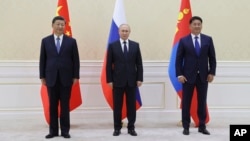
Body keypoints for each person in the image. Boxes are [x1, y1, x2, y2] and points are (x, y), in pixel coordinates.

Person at [39, 16, 80, 139]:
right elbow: (43, 60)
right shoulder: (45, 41)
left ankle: (65, 131)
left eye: (63, 24)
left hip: (66, 78)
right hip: (50, 78)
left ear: (65, 26)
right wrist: (42, 76)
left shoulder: (71, 41)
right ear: (52, 25)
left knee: (65, 106)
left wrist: (76, 76)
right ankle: (53, 131)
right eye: (58, 24)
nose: (60, 27)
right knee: (52, 105)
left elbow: (75, 61)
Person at [175, 16, 216, 135]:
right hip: (187, 77)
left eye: (199, 24)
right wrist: (179, 75)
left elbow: (212, 58)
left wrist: (212, 72)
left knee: (202, 102)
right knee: (186, 102)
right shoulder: (184, 40)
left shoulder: (208, 39)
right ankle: (186, 126)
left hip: (203, 76)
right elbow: (178, 60)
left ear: (201, 26)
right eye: (195, 24)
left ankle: (202, 126)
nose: (197, 26)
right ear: (190, 26)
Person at [106, 24, 143, 136]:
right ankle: (117, 128)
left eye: (127, 31)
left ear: (129, 32)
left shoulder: (135, 45)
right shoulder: (113, 46)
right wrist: (109, 80)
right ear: (119, 32)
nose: (125, 33)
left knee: (131, 106)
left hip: (132, 81)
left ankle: (131, 128)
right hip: (117, 81)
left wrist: (140, 78)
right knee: (117, 106)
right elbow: (108, 65)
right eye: (123, 31)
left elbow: (139, 64)